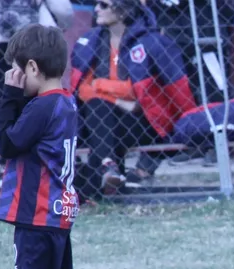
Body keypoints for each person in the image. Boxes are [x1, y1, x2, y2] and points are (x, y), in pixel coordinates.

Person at [0, 23, 79, 269]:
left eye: (15, 69)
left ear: (31, 68)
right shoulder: (63, 100)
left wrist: (9, 96)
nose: (12, 76)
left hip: (37, 212)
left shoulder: (41, 106)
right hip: (56, 213)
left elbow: (8, 144)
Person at [69, 0, 195, 193]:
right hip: (105, 119)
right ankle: (108, 166)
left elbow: (134, 90)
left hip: (144, 123)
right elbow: (83, 91)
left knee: (99, 106)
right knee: (96, 105)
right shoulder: (91, 41)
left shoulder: (151, 42)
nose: (96, 10)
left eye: (103, 5)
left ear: (122, 10)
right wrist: (119, 100)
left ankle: (102, 173)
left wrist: (99, 84)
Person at [0, 0, 73, 184]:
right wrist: (60, 27)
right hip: (38, 36)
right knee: (41, 94)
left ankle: (4, 164)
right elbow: (62, 8)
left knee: (4, 95)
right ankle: (41, 157)